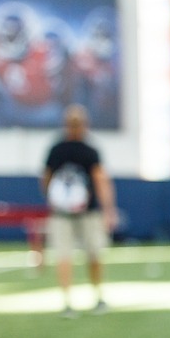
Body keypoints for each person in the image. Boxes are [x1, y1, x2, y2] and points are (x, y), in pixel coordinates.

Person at [40, 103, 117, 317]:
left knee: (90, 254)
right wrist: (109, 209)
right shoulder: (68, 150)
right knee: (70, 255)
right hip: (68, 213)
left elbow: (46, 179)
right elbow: (101, 181)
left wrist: (108, 209)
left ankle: (88, 297)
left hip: (82, 212)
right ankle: (82, 298)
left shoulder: (81, 151)